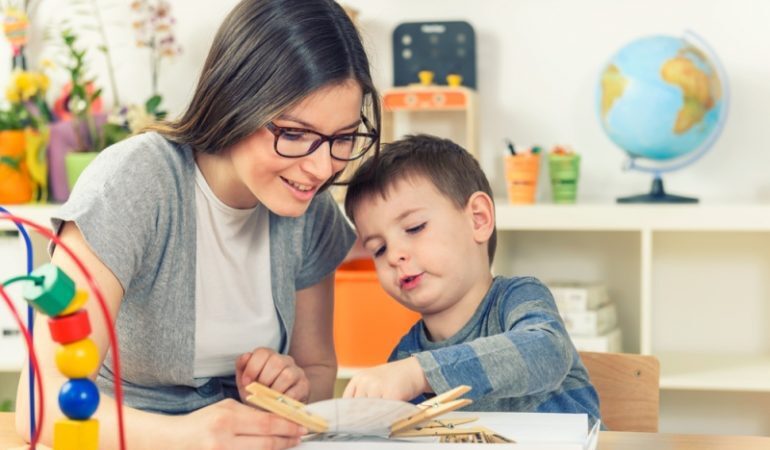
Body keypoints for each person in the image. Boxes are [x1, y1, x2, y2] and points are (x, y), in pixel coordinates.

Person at [15, 0, 380, 448]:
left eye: (343, 139)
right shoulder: (137, 183)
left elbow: (318, 373)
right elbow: (40, 404)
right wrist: (184, 436)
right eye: (294, 134)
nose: (322, 168)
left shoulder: (311, 213)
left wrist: (291, 392)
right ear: (237, 101)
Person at [341, 135, 600, 425]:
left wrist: (420, 374)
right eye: (379, 248)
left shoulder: (518, 298)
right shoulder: (405, 356)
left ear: (478, 219)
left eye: (414, 228)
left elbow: (547, 351)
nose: (394, 256)